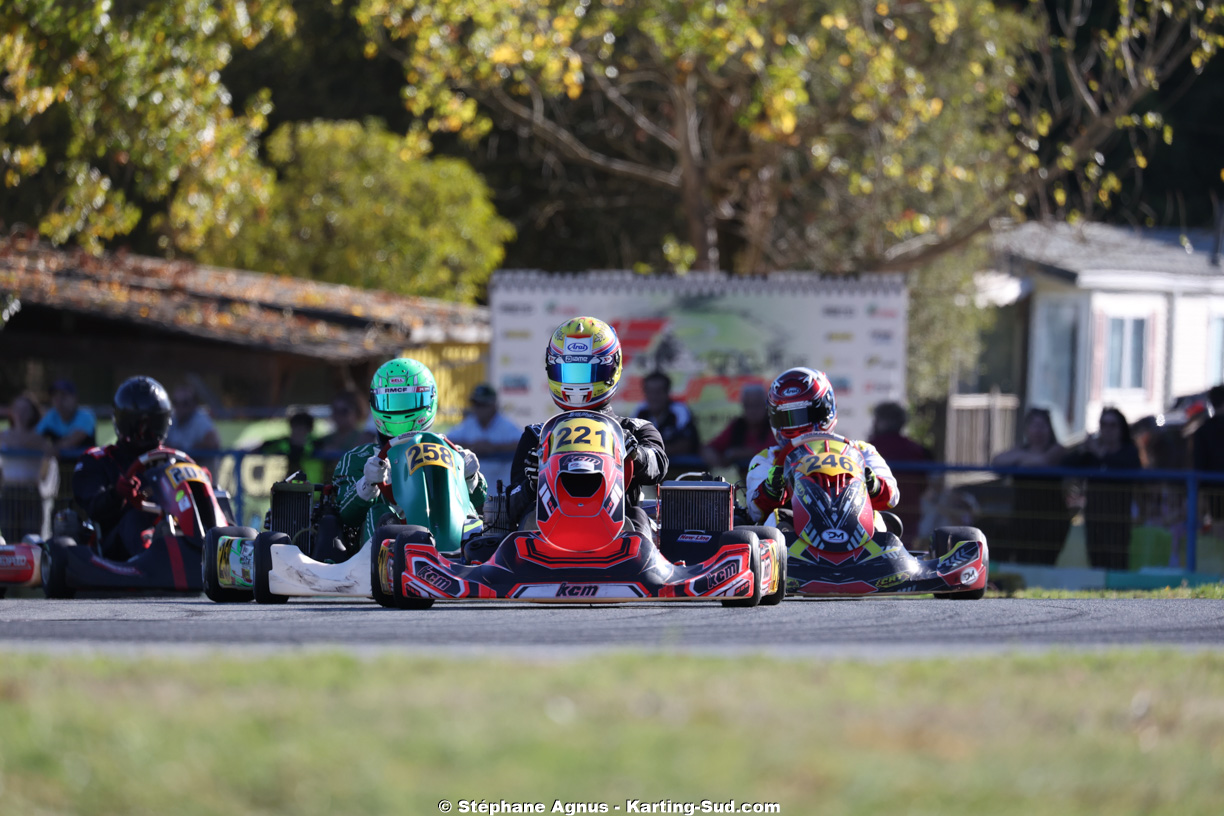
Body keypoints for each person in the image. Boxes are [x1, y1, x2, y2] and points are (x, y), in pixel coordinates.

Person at [504, 317, 668, 541]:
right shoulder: (537, 436)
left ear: (612, 369)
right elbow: (510, 506)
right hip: (549, 538)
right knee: (527, 518)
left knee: (637, 516)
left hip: (619, 536)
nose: (577, 382)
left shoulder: (635, 430)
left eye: (587, 372)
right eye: (569, 372)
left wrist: (636, 454)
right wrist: (532, 484)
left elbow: (658, 465)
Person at [333, 358, 487, 543]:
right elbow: (346, 516)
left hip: (445, 542)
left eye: (408, 401)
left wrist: (470, 477)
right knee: (379, 513)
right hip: (386, 552)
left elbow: (480, 502)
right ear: (375, 402)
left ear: (430, 399)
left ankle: (470, 555)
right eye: (391, 402)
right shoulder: (358, 458)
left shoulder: (452, 452)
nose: (400, 410)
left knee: (469, 512)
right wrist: (368, 484)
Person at [745, 367, 898, 526]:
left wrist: (873, 484)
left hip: (854, 526)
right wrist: (771, 489)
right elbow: (755, 511)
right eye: (786, 417)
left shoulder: (861, 451)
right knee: (774, 520)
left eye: (804, 414)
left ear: (826, 410)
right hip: (793, 534)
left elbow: (892, 497)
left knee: (878, 521)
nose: (796, 425)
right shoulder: (768, 459)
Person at [72, 376, 172, 559]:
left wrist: (200, 482)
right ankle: (155, 562)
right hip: (115, 548)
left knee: (217, 503)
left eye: (152, 425)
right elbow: (93, 507)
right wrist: (117, 494)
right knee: (135, 518)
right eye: (140, 426)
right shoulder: (98, 460)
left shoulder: (173, 460)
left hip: (171, 533)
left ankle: (220, 561)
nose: (145, 433)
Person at [1063, 406, 1143, 571]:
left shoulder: (1129, 451)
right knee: (1096, 558)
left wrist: (1100, 453)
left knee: (1117, 560)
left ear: (1121, 428)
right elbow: (1066, 464)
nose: (1108, 430)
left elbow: (1129, 468)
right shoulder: (1091, 452)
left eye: (1113, 425)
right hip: (1095, 513)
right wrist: (1082, 450)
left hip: (1119, 516)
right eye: (1104, 424)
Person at [989, 407, 1070, 564]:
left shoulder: (1057, 449)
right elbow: (997, 461)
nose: (1038, 431)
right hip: (1022, 517)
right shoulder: (1020, 449)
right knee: (1022, 559)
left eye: (1043, 426)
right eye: (1034, 425)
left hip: (1052, 518)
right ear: (1027, 429)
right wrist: (1023, 457)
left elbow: (1043, 461)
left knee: (1045, 560)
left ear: (1050, 429)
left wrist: (1018, 460)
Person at [867, 401, 932, 547]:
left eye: (877, 419)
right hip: (909, 516)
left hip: (877, 515)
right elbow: (924, 484)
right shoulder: (916, 450)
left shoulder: (868, 450)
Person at [445, 383, 521, 494]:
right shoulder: (469, 423)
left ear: (493, 405)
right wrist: (472, 447)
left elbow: (522, 444)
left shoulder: (505, 425)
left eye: (483, 404)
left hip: (502, 494)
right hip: (474, 494)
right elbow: (447, 440)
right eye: (476, 404)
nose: (479, 409)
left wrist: (494, 448)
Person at [1, 393, 57, 540]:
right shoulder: (4, 436)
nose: (21, 413)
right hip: (9, 493)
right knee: (10, 540)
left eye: (25, 410)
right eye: (17, 409)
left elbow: (49, 452)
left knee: (31, 541)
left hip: (31, 493)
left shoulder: (39, 438)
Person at [703, 383, 776, 480]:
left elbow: (772, 450)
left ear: (766, 405)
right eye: (748, 405)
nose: (753, 410)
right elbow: (709, 448)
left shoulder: (774, 425)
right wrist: (718, 461)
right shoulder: (738, 426)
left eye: (757, 405)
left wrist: (736, 454)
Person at [635, 370, 700, 475]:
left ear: (667, 392)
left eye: (658, 392)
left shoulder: (679, 411)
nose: (654, 397)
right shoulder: (640, 411)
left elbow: (687, 445)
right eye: (650, 392)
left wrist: (652, 451)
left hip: (681, 469)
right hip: (650, 470)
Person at [314, 389, 375, 480]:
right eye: (335, 410)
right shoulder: (324, 440)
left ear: (357, 411)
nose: (338, 415)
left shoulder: (365, 438)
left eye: (344, 411)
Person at [164, 382, 220, 474]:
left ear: (194, 404)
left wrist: (186, 452)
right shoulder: (172, 418)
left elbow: (213, 443)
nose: (180, 407)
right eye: (175, 402)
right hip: (179, 476)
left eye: (185, 403)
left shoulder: (200, 418)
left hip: (200, 476)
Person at [257, 410, 324, 483]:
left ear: (309, 430)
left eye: (302, 428)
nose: (298, 431)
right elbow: (261, 447)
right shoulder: (282, 443)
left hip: (311, 487)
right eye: (295, 427)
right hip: (286, 486)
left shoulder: (317, 445)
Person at [37, 379, 97, 458]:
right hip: (60, 465)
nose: (59, 400)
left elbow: (72, 441)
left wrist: (51, 448)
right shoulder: (50, 416)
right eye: (55, 396)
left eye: (63, 395)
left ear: (74, 398)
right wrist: (43, 445)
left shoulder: (86, 416)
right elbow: (34, 437)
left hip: (86, 464)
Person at [1193, 384, 1224, 526]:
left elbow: (1199, 462)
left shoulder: (1203, 430)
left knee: (1217, 525)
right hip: (1213, 486)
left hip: (1213, 489)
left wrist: (1200, 489)